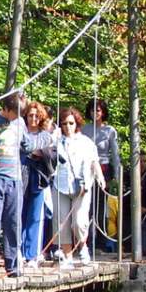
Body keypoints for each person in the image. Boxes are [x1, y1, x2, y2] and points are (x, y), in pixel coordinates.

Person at [0, 93, 52, 278]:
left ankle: (13, 267)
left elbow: (27, 145)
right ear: (6, 109)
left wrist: (47, 138)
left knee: (13, 225)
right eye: (16, 113)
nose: (19, 117)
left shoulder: (19, 124)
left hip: (15, 180)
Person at [49, 107, 104, 267]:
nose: (68, 126)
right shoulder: (56, 141)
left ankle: (82, 247)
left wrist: (100, 177)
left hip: (82, 187)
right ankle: (67, 256)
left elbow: (95, 161)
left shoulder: (86, 142)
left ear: (77, 123)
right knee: (61, 222)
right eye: (64, 123)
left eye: (71, 123)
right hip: (60, 185)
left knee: (79, 222)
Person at [83, 98, 123, 250]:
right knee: (86, 206)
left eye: (98, 110)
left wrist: (118, 176)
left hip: (103, 170)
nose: (95, 113)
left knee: (100, 207)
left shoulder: (110, 131)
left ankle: (100, 243)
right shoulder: (84, 129)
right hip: (86, 170)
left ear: (103, 112)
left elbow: (115, 155)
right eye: (93, 110)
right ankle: (86, 242)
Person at [20, 102, 54, 270]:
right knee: (18, 216)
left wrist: (40, 153)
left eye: (36, 115)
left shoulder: (46, 136)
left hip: (39, 180)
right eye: (30, 115)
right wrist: (36, 152)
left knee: (35, 218)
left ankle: (31, 255)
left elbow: (53, 154)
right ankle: (18, 252)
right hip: (20, 177)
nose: (33, 118)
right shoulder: (19, 133)